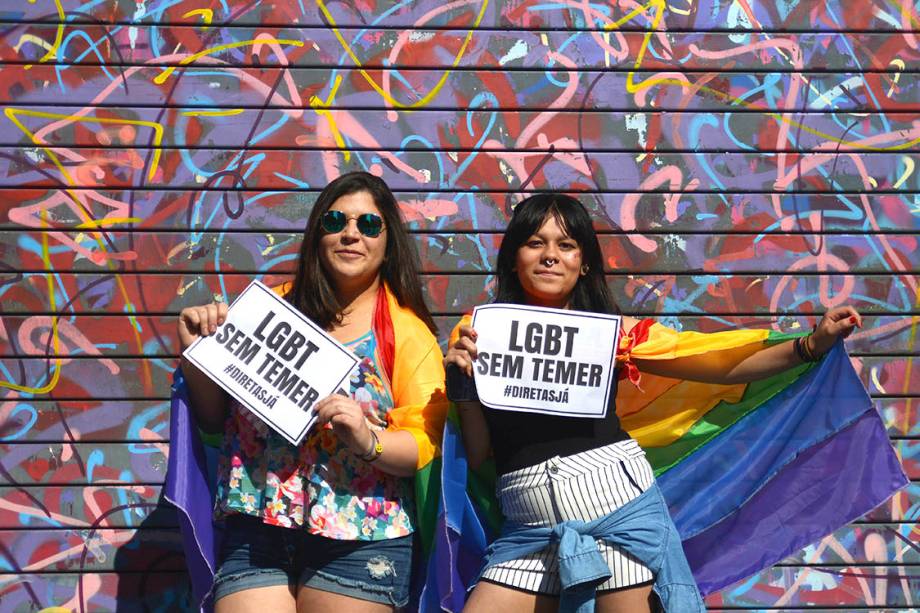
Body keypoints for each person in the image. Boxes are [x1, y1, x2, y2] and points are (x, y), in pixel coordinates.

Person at [442, 193, 864, 613]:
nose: (551, 255)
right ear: (513, 256)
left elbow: (715, 362)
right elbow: (479, 453)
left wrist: (810, 344)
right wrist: (459, 386)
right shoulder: (478, 333)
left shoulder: (616, 335)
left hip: (620, 520)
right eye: (535, 242)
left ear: (583, 262)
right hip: (529, 534)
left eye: (566, 245)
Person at [173, 171, 448, 612]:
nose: (351, 234)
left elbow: (426, 442)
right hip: (259, 528)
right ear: (317, 232)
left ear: (387, 242)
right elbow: (213, 420)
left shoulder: (407, 335)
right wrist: (196, 354)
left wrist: (367, 439)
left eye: (369, 225)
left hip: (362, 537)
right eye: (336, 221)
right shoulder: (266, 310)